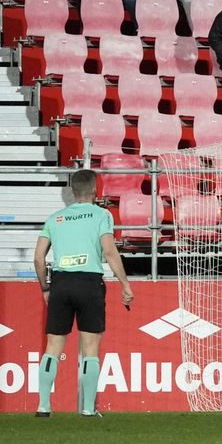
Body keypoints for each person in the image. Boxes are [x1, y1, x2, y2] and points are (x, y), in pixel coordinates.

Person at [32, 169, 134, 418]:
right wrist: (125, 284)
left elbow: (38, 257)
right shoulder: (102, 214)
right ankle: (88, 409)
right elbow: (109, 251)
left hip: (61, 282)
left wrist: (46, 288)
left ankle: (43, 406)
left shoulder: (55, 218)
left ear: (72, 192)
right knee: (90, 348)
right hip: (89, 282)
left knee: (53, 347)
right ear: (94, 190)